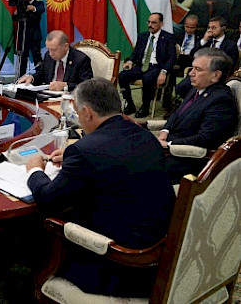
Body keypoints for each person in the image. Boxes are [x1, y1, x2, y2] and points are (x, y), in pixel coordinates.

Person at [26, 78, 175, 297]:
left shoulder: (84, 150)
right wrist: (73, 158)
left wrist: (34, 170)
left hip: (118, 266)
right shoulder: (145, 137)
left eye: (77, 113)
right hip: (162, 256)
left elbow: (47, 199)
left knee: (37, 231)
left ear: (86, 112)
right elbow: (114, 159)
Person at [158, 48, 238, 182]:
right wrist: (165, 131)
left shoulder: (221, 100)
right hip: (171, 150)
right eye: (192, 68)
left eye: (198, 69)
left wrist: (169, 144)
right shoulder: (196, 89)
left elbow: (204, 138)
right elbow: (177, 114)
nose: (191, 73)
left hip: (191, 160)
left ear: (215, 75)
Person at [118, 13, 176, 118]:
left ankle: (145, 107)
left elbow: (172, 58)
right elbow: (135, 53)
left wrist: (164, 72)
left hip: (157, 67)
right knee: (122, 75)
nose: (150, 25)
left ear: (161, 24)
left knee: (147, 78)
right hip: (142, 66)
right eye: (149, 22)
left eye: (153, 23)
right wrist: (130, 61)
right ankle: (130, 105)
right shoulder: (143, 36)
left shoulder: (168, 38)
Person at [176, 16, 238, 99]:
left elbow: (230, 65)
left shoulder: (230, 45)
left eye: (214, 28)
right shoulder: (207, 42)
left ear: (223, 28)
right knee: (181, 87)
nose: (210, 30)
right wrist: (204, 40)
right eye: (209, 27)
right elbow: (193, 55)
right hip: (199, 73)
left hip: (215, 76)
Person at [17, 30, 93, 91]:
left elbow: (87, 86)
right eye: (48, 49)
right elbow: (41, 74)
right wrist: (32, 78)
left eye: (54, 50)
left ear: (66, 46)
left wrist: (65, 86)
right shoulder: (48, 56)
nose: (50, 53)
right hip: (48, 96)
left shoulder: (81, 59)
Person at [14, 0, 44, 77]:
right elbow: (15, 18)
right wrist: (16, 13)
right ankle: (20, 77)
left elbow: (41, 9)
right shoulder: (21, 4)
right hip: (23, 36)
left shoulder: (38, 3)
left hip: (34, 36)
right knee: (22, 57)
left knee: (37, 56)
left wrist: (33, 8)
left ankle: (40, 76)